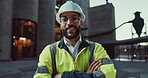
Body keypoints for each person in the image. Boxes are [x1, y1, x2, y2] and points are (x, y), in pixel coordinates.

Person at [33, 1, 116, 78]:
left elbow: (110, 72)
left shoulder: (96, 48)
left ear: (81, 23)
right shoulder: (49, 51)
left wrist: (61, 76)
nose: (69, 23)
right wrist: (87, 75)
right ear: (60, 24)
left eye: (74, 18)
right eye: (64, 19)